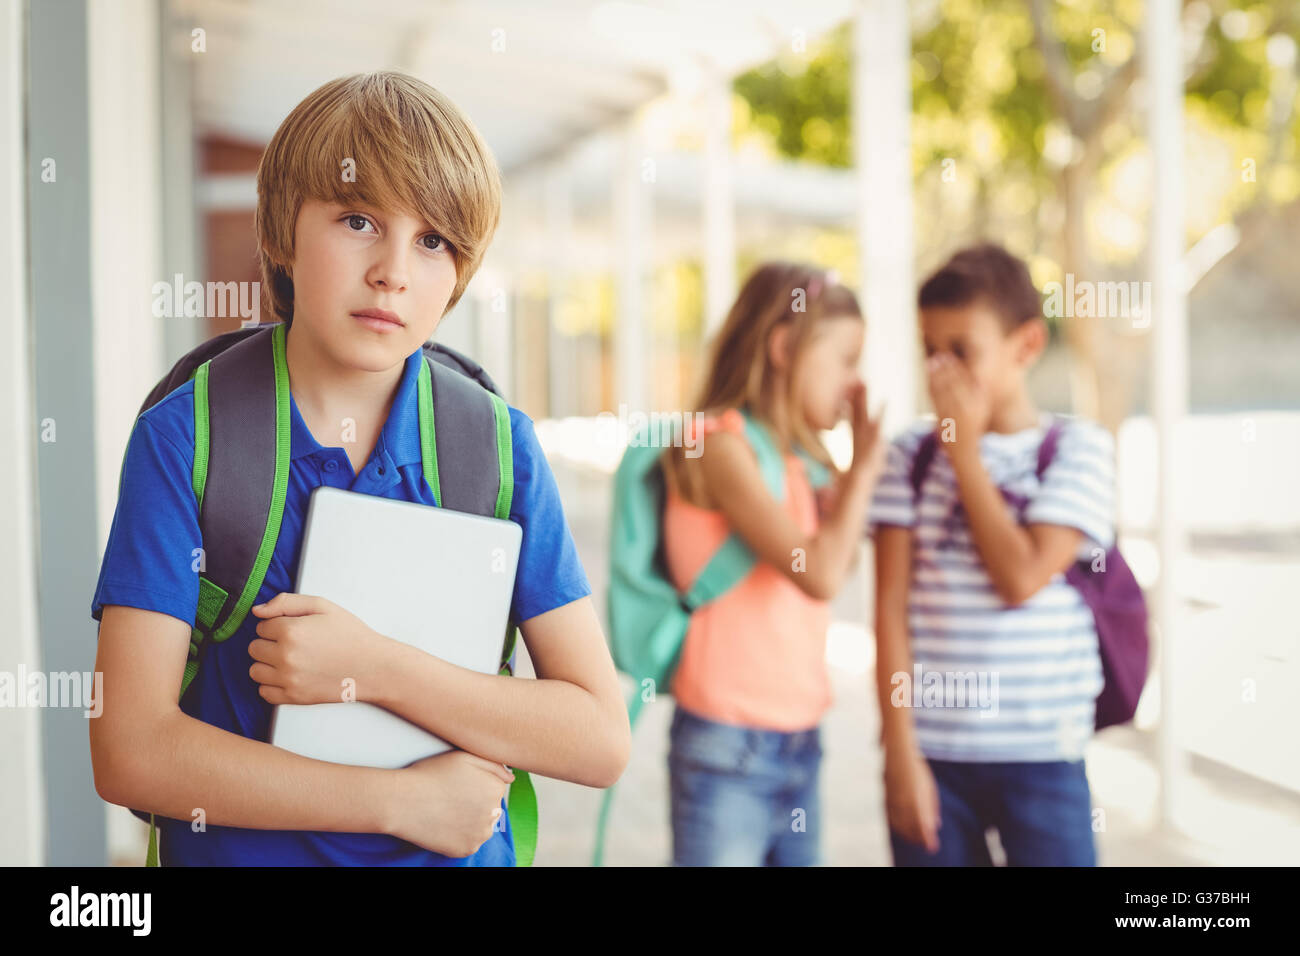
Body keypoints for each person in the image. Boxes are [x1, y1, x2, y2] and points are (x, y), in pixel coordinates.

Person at [88, 71, 630, 866]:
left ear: (459, 275)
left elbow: (599, 739)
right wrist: (400, 803)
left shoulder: (494, 449)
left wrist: (374, 668)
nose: (393, 271)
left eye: (433, 240)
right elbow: (130, 750)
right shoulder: (190, 440)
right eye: (357, 219)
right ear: (279, 232)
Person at [869, 242, 1116, 866]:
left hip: (1043, 756)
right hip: (936, 758)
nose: (940, 370)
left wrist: (965, 454)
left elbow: (1021, 578)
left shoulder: (1078, 451)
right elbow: (889, 612)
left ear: (1026, 346)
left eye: (962, 351)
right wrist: (900, 756)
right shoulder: (909, 456)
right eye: (930, 350)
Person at [658, 261, 886, 866]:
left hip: (800, 741)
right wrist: (861, 471)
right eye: (845, 359)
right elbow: (821, 574)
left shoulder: (800, 460)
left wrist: (843, 479)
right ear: (784, 347)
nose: (854, 383)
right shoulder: (716, 443)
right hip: (726, 748)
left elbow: (842, 559)